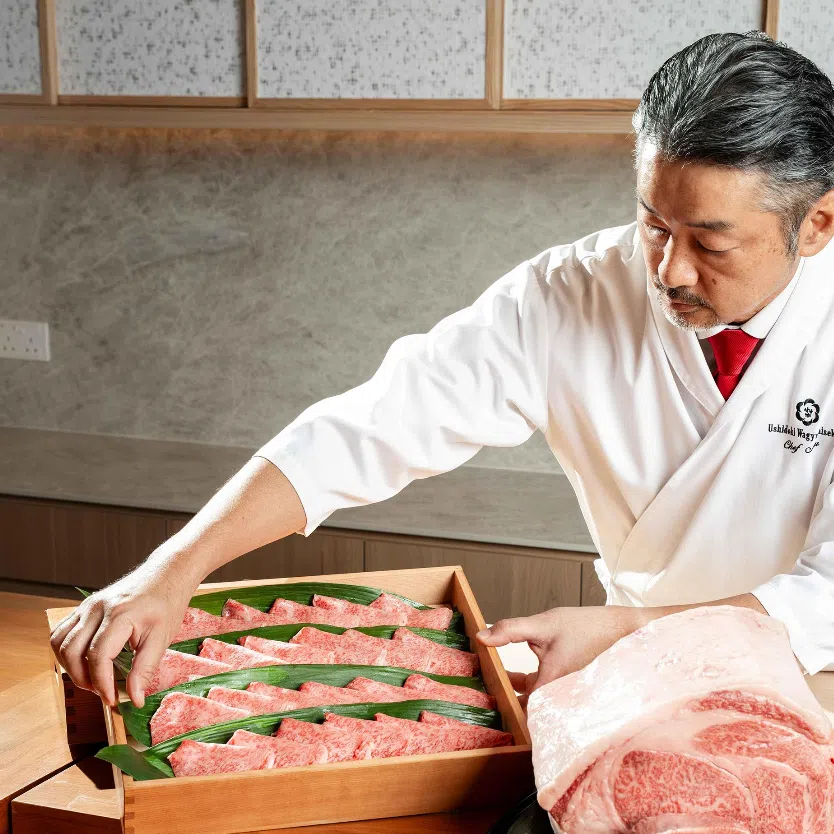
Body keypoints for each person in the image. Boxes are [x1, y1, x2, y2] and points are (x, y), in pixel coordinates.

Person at [51, 31, 834, 711]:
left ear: (817, 225)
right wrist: (173, 567)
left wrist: (627, 632)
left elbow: (824, 597)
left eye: (711, 243)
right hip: (630, 676)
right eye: (652, 222)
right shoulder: (572, 293)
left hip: (806, 681)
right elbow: (374, 425)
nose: (668, 270)